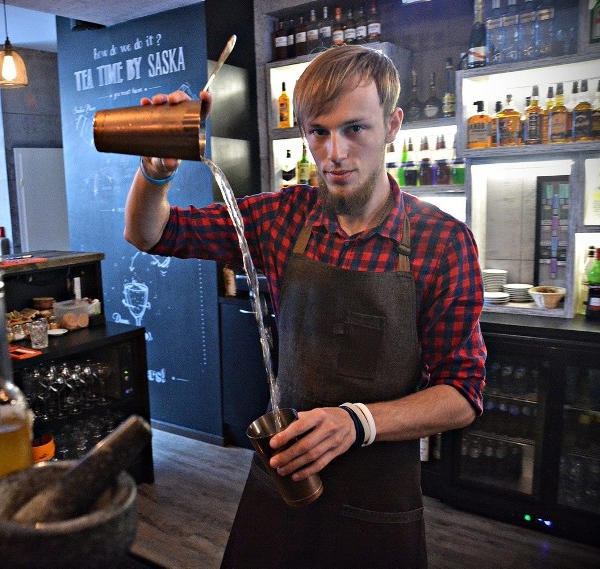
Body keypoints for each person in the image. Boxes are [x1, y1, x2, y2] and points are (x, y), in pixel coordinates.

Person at [124, 45, 486, 568]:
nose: (334, 152)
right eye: (318, 131)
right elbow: (151, 232)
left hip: (378, 496)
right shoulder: (282, 217)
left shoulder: (443, 242)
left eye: (355, 129)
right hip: (282, 478)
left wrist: (356, 421)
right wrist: (156, 170)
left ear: (393, 126)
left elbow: (463, 393)